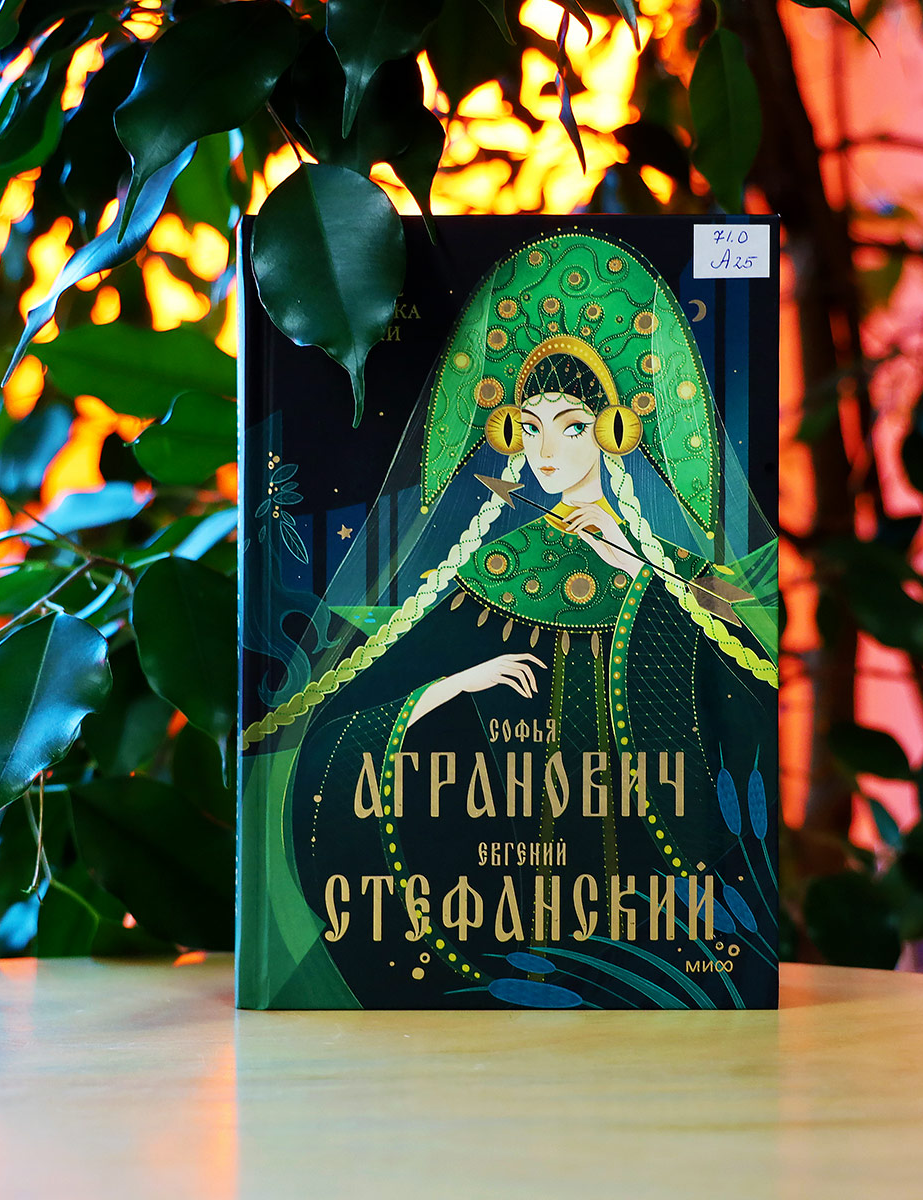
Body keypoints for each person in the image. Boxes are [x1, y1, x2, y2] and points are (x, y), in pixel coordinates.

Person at [242, 231, 778, 1009]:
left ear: (614, 430)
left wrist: (642, 578)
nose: (548, 450)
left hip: (661, 929)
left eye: (571, 426)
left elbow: (745, 699)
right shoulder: (494, 566)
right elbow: (339, 727)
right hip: (500, 920)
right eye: (531, 427)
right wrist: (457, 685)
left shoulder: (675, 573)